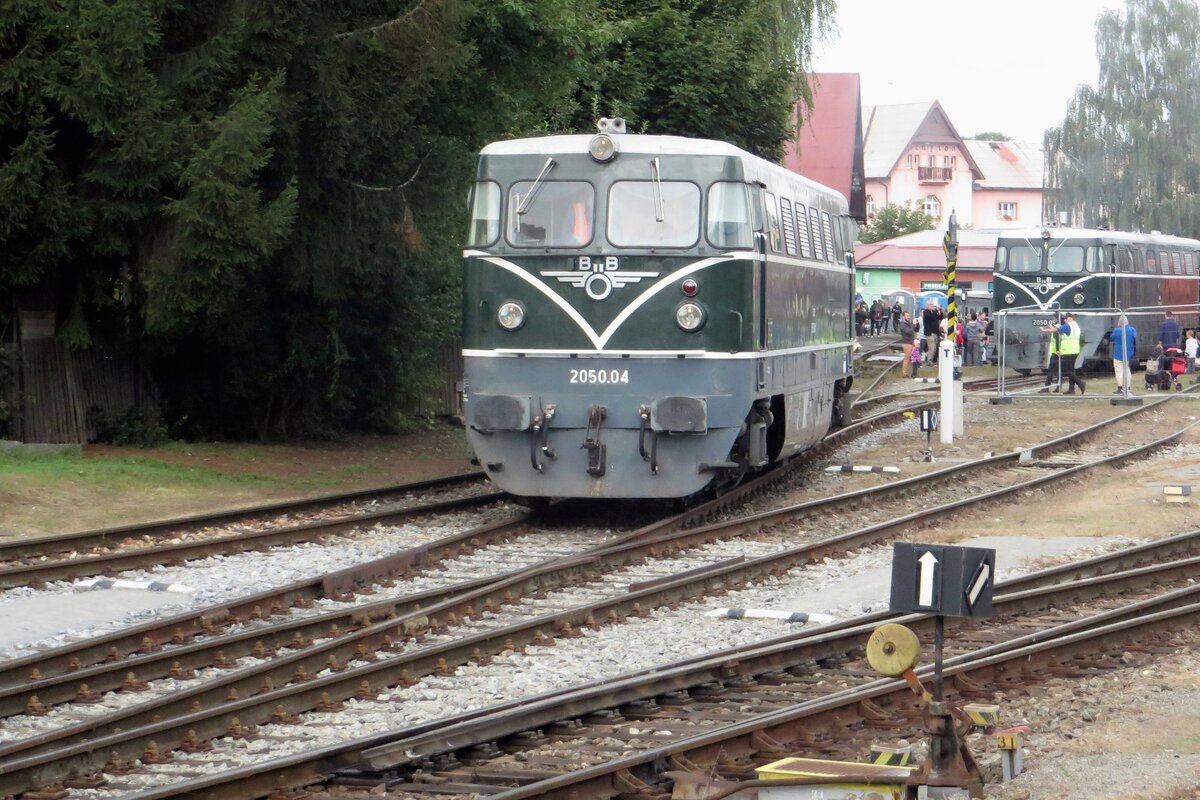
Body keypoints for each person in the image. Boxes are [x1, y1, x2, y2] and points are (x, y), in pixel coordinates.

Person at [1040, 311, 1086, 394]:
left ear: (1069, 318)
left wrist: (1044, 330)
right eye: (1064, 319)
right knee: (1071, 370)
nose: (1064, 320)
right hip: (1075, 350)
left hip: (1067, 351)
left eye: (1065, 318)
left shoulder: (1068, 326)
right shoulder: (1076, 325)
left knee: (1066, 370)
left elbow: (1057, 330)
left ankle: (1080, 383)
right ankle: (1072, 389)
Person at [1110, 315, 1137, 394]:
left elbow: (1112, 338)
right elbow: (1135, 337)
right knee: (1127, 370)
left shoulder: (1117, 330)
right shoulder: (1132, 330)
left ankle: (1120, 388)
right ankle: (1128, 388)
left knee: (1119, 370)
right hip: (1129, 353)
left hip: (1118, 353)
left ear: (1119, 322)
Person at [898, 310, 916, 378]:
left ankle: (910, 372)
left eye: (909, 315)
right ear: (903, 316)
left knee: (911, 358)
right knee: (907, 358)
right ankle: (904, 373)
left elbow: (914, 330)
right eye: (907, 316)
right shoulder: (903, 324)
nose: (908, 317)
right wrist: (913, 325)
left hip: (910, 342)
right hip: (907, 343)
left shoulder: (908, 323)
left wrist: (915, 325)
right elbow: (909, 331)